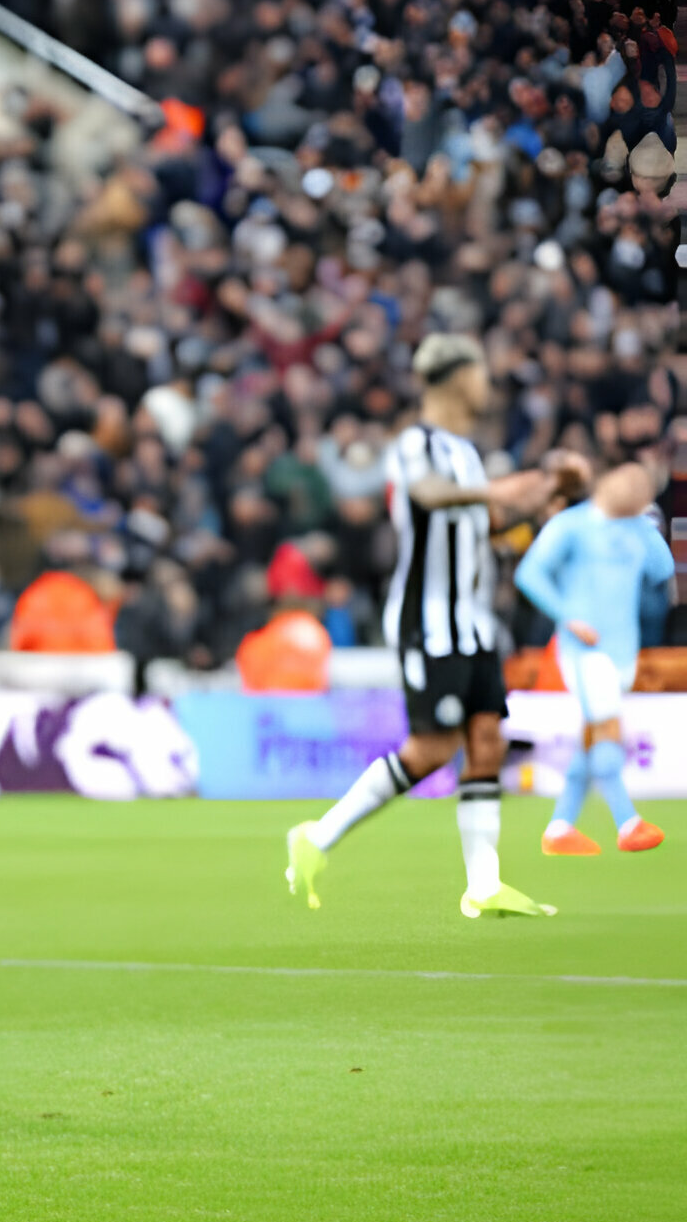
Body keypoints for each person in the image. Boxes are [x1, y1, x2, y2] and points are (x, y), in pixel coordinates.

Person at [284, 335, 570, 918]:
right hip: (428, 622)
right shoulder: (416, 443)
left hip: (473, 623)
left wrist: (542, 493)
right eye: (480, 372)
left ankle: (484, 884)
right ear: (457, 377)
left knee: (486, 741)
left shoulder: (466, 452)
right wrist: (497, 489)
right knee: (433, 749)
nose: (486, 384)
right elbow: (428, 494)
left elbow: (481, 520)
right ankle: (316, 837)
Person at [514, 461, 673, 856]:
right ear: (605, 483)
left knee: (592, 737)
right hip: (585, 650)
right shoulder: (571, 525)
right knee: (607, 729)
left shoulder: (636, 529)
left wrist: (644, 524)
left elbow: (663, 569)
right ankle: (628, 823)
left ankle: (560, 828)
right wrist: (567, 615)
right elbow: (529, 573)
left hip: (623, 649)